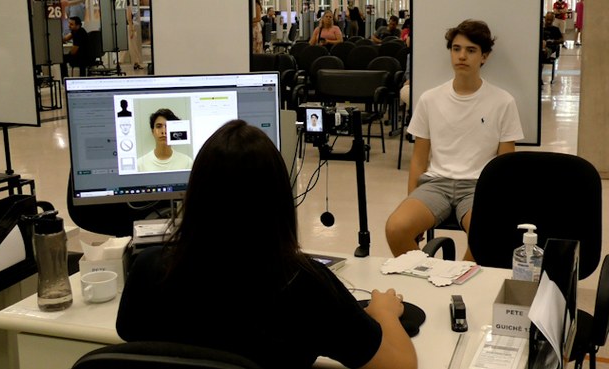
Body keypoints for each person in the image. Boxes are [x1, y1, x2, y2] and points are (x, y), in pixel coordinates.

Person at [117, 120, 417, 369]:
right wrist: (385, 313)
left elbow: (131, 336)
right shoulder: (305, 285)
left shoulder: (149, 269)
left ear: (195, 195)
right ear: (279, 201)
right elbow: (400, 365)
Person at [385, 19, 524, 260]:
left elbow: (506, 167)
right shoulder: (430, 99)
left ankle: (457, 285)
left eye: (471, 50)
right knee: (396, 228)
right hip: (436, 184)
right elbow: (418, 159)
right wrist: (411, 200)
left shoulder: (503, 102)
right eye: (456, 49)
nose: (462, 56)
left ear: (484, 56)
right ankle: (425, 277)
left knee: (486, 236)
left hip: (479, 188)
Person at [541, 12, 564, 84]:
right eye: (547, 19)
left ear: (553, 20)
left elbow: (562, 40)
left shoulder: (555, 29)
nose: (548, 21)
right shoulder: (541, 29)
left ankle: (543, 50)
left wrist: (554, 41)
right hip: (541, 47)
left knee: (543, 49)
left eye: (550, 20)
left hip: (550, 48)